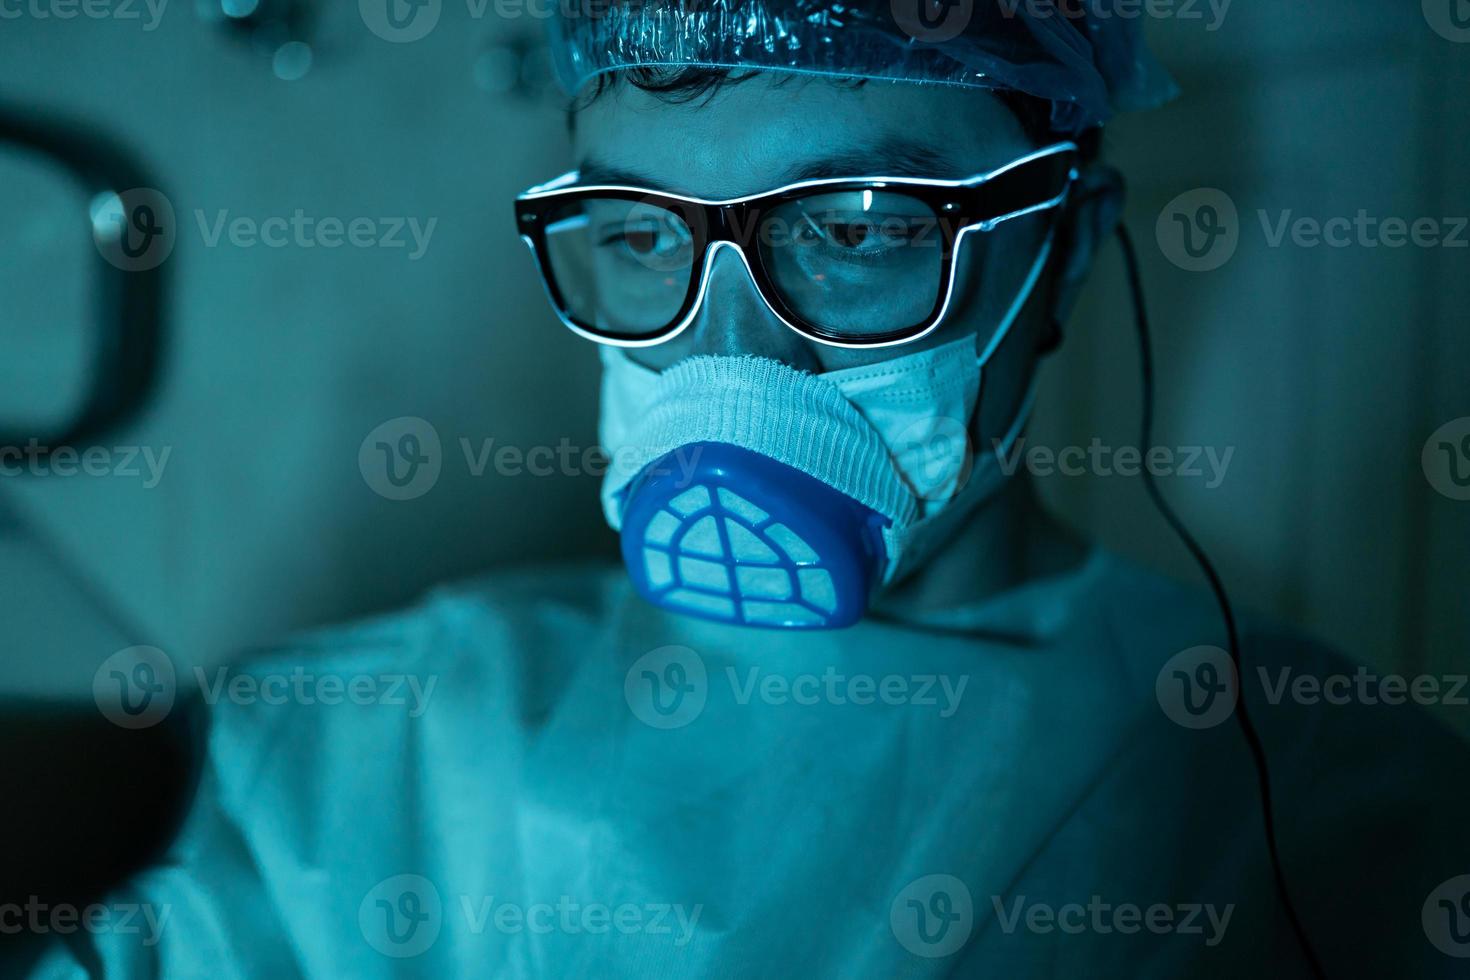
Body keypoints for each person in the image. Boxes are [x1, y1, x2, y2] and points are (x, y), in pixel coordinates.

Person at [20, 1, 1470, 976]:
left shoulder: (1306, 789)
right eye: (639, 236)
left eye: (855, 227)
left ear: (1068, 248)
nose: (729, 348)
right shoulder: (363, 748)